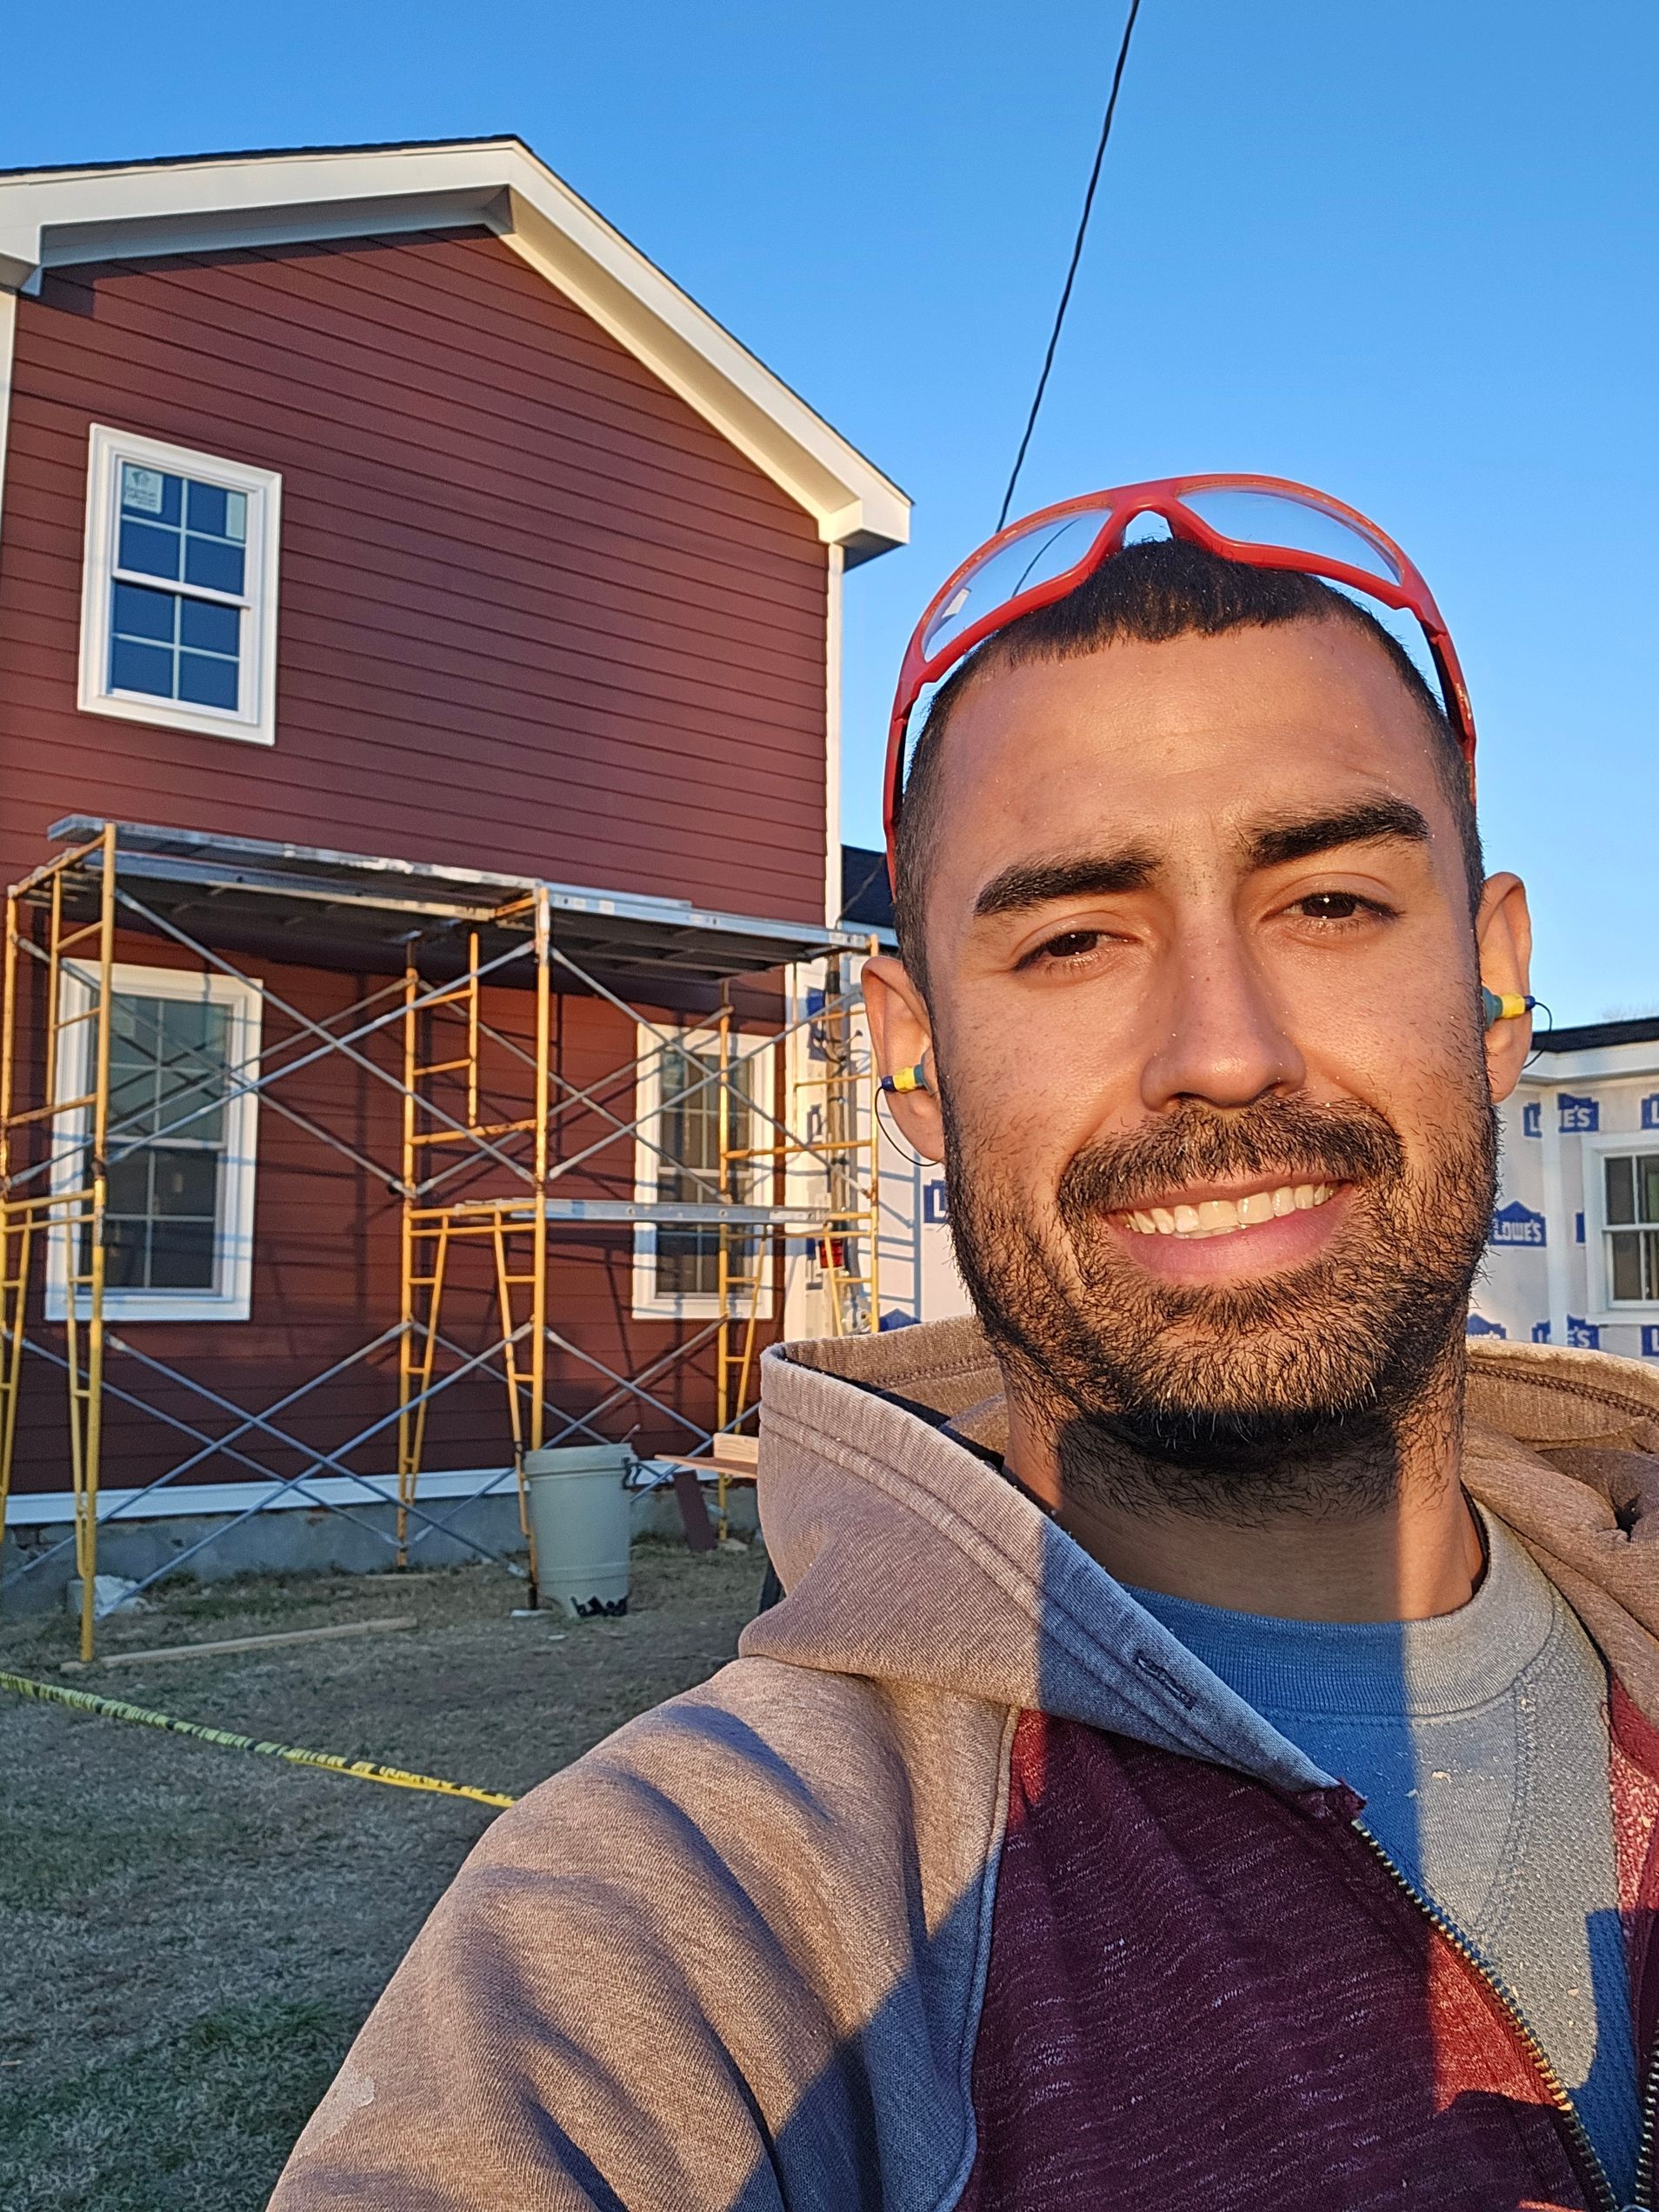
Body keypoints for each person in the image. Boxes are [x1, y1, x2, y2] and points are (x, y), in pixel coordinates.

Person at [271, 477, 1659, 2212]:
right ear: (913, 1063)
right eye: (1074, 938)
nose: (1222, 1054)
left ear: (1499, 981)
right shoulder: (695, 1935)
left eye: (1329, 904)